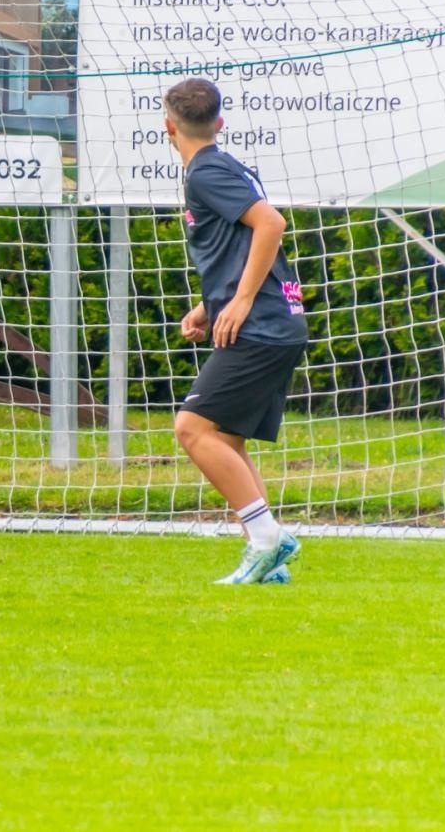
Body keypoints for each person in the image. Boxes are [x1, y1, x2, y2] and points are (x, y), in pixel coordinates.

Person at [163, 77, 309, 584]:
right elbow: (239, 247)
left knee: (192, 428)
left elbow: (270, 225)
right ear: (219, 124)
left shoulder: (205, 173)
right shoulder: (223, 167)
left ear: (168, 127)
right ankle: (269, 562)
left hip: (262, 326)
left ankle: (267, 538)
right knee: (226, 437)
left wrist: (241, 300)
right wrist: (212, 304)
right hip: (276, 323)